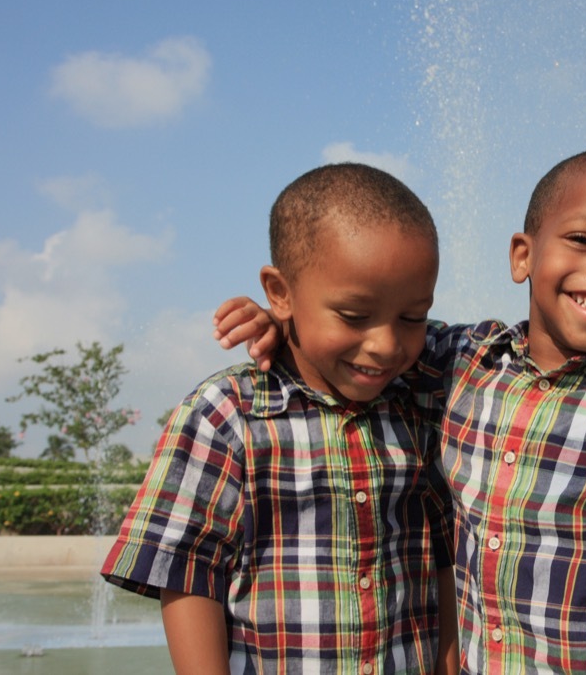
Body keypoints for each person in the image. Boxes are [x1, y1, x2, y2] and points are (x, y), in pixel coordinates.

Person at [217, 145, 586, 674]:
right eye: (584, 240)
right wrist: (287, 318)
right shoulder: (460, 361)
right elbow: (369, 337)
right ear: (523, 256)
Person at [103, 163, 459, 674]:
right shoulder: (228, 415)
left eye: (412, 317)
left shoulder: (419, 407)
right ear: (279, 291)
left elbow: (442, 557)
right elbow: (188, 573)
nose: (386, 345)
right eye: (354, 316)